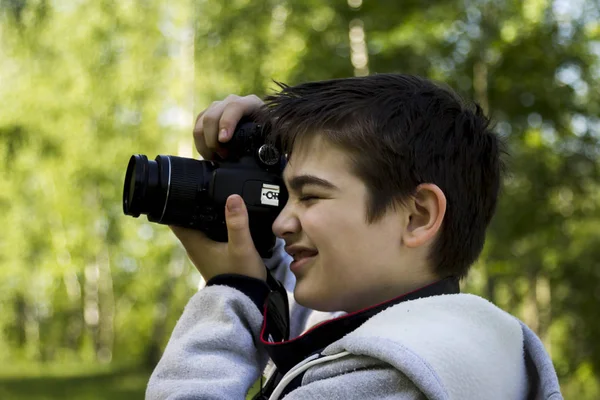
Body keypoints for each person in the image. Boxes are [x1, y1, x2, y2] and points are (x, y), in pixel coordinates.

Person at [145, 74, 563, 399]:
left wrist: (231, 293)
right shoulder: (467, 350)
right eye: (284, 195)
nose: (280, 223)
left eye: (309, 195)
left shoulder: (390, 378)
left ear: (418, 216)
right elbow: (309, 335)